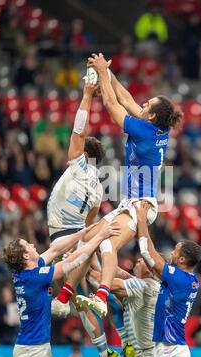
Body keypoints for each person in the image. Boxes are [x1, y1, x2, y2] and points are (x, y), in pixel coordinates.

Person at [76, 53, 182, 319]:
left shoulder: (143, 131)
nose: (142, 104)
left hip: (141, 206)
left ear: (152, 115)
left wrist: (101, 74)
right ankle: (101, 283)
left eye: (148, 105)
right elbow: (127, 99)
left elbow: (113, 103)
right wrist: (108, 73)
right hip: (131, 203)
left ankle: (101, 296)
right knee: (87, 239)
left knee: (107, 244)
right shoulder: (156, 128)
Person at [46, 81, 129, 357]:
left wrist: (85, 96)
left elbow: (78, 127)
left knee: (79, 300)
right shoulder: (98, 188)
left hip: (63, 236)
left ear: (83, 152)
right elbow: (89, 223)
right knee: (95, 283)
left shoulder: (76, 164)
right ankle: (124, 334)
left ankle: (106, 350)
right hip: (83, 236)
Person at [3, 222, 119, 357]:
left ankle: (62, 302)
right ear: (25, 256)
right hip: (31, 351)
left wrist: (81, 234)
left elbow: (55, 250)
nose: (32, 244)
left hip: (35, 347)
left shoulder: (25, 272)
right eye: (28, 245)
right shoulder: (35, 277)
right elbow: (72, 262)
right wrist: (99, 237)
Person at [135, 201, 201, 357]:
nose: (172, 253)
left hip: (172, 351)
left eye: (175, 250)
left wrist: (141, 220)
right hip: (166, 348)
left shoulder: (180, 279)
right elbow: (155, 258)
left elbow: (148, 255)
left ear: (182, 260)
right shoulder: (185, 280)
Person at [88, 257, 160, 357]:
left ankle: (126, 343)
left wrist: (81, 264)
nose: (139, 259)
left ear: (149, 271)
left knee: (107, 293)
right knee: (111, 297)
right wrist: (99, 250)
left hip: (146, 355)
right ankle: (126, 343)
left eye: (142, 261)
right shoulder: (149, 284)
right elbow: (116, 271)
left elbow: (103, 280)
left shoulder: (143, 285)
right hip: (150, 352)